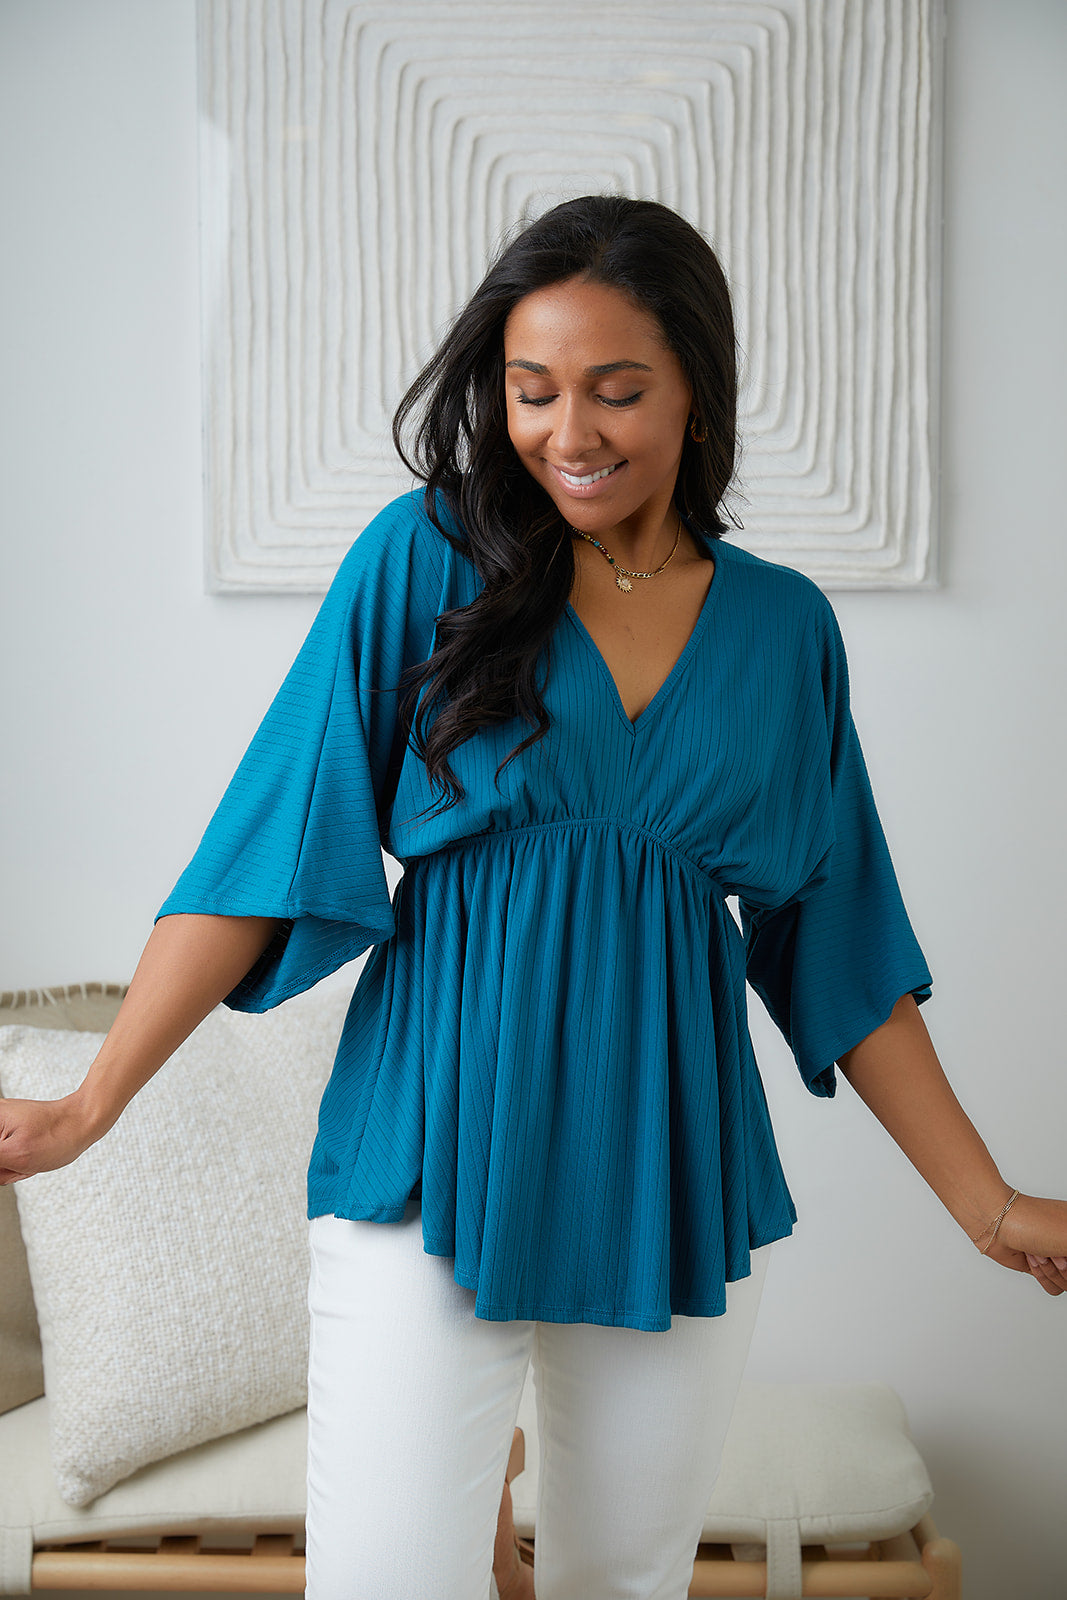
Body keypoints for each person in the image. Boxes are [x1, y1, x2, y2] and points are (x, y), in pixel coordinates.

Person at [1, 195, 1065, 1600]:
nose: (570, 432)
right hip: (428, 1142)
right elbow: (273, 843)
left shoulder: (783, 628)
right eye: (532, 389)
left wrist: (990, 1207)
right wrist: (93, 1105)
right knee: (386, 1582)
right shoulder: (425, 556)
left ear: (696, 388)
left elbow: (838, 938)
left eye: (617, 390)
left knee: (623, 1582)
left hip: (664, 1160)